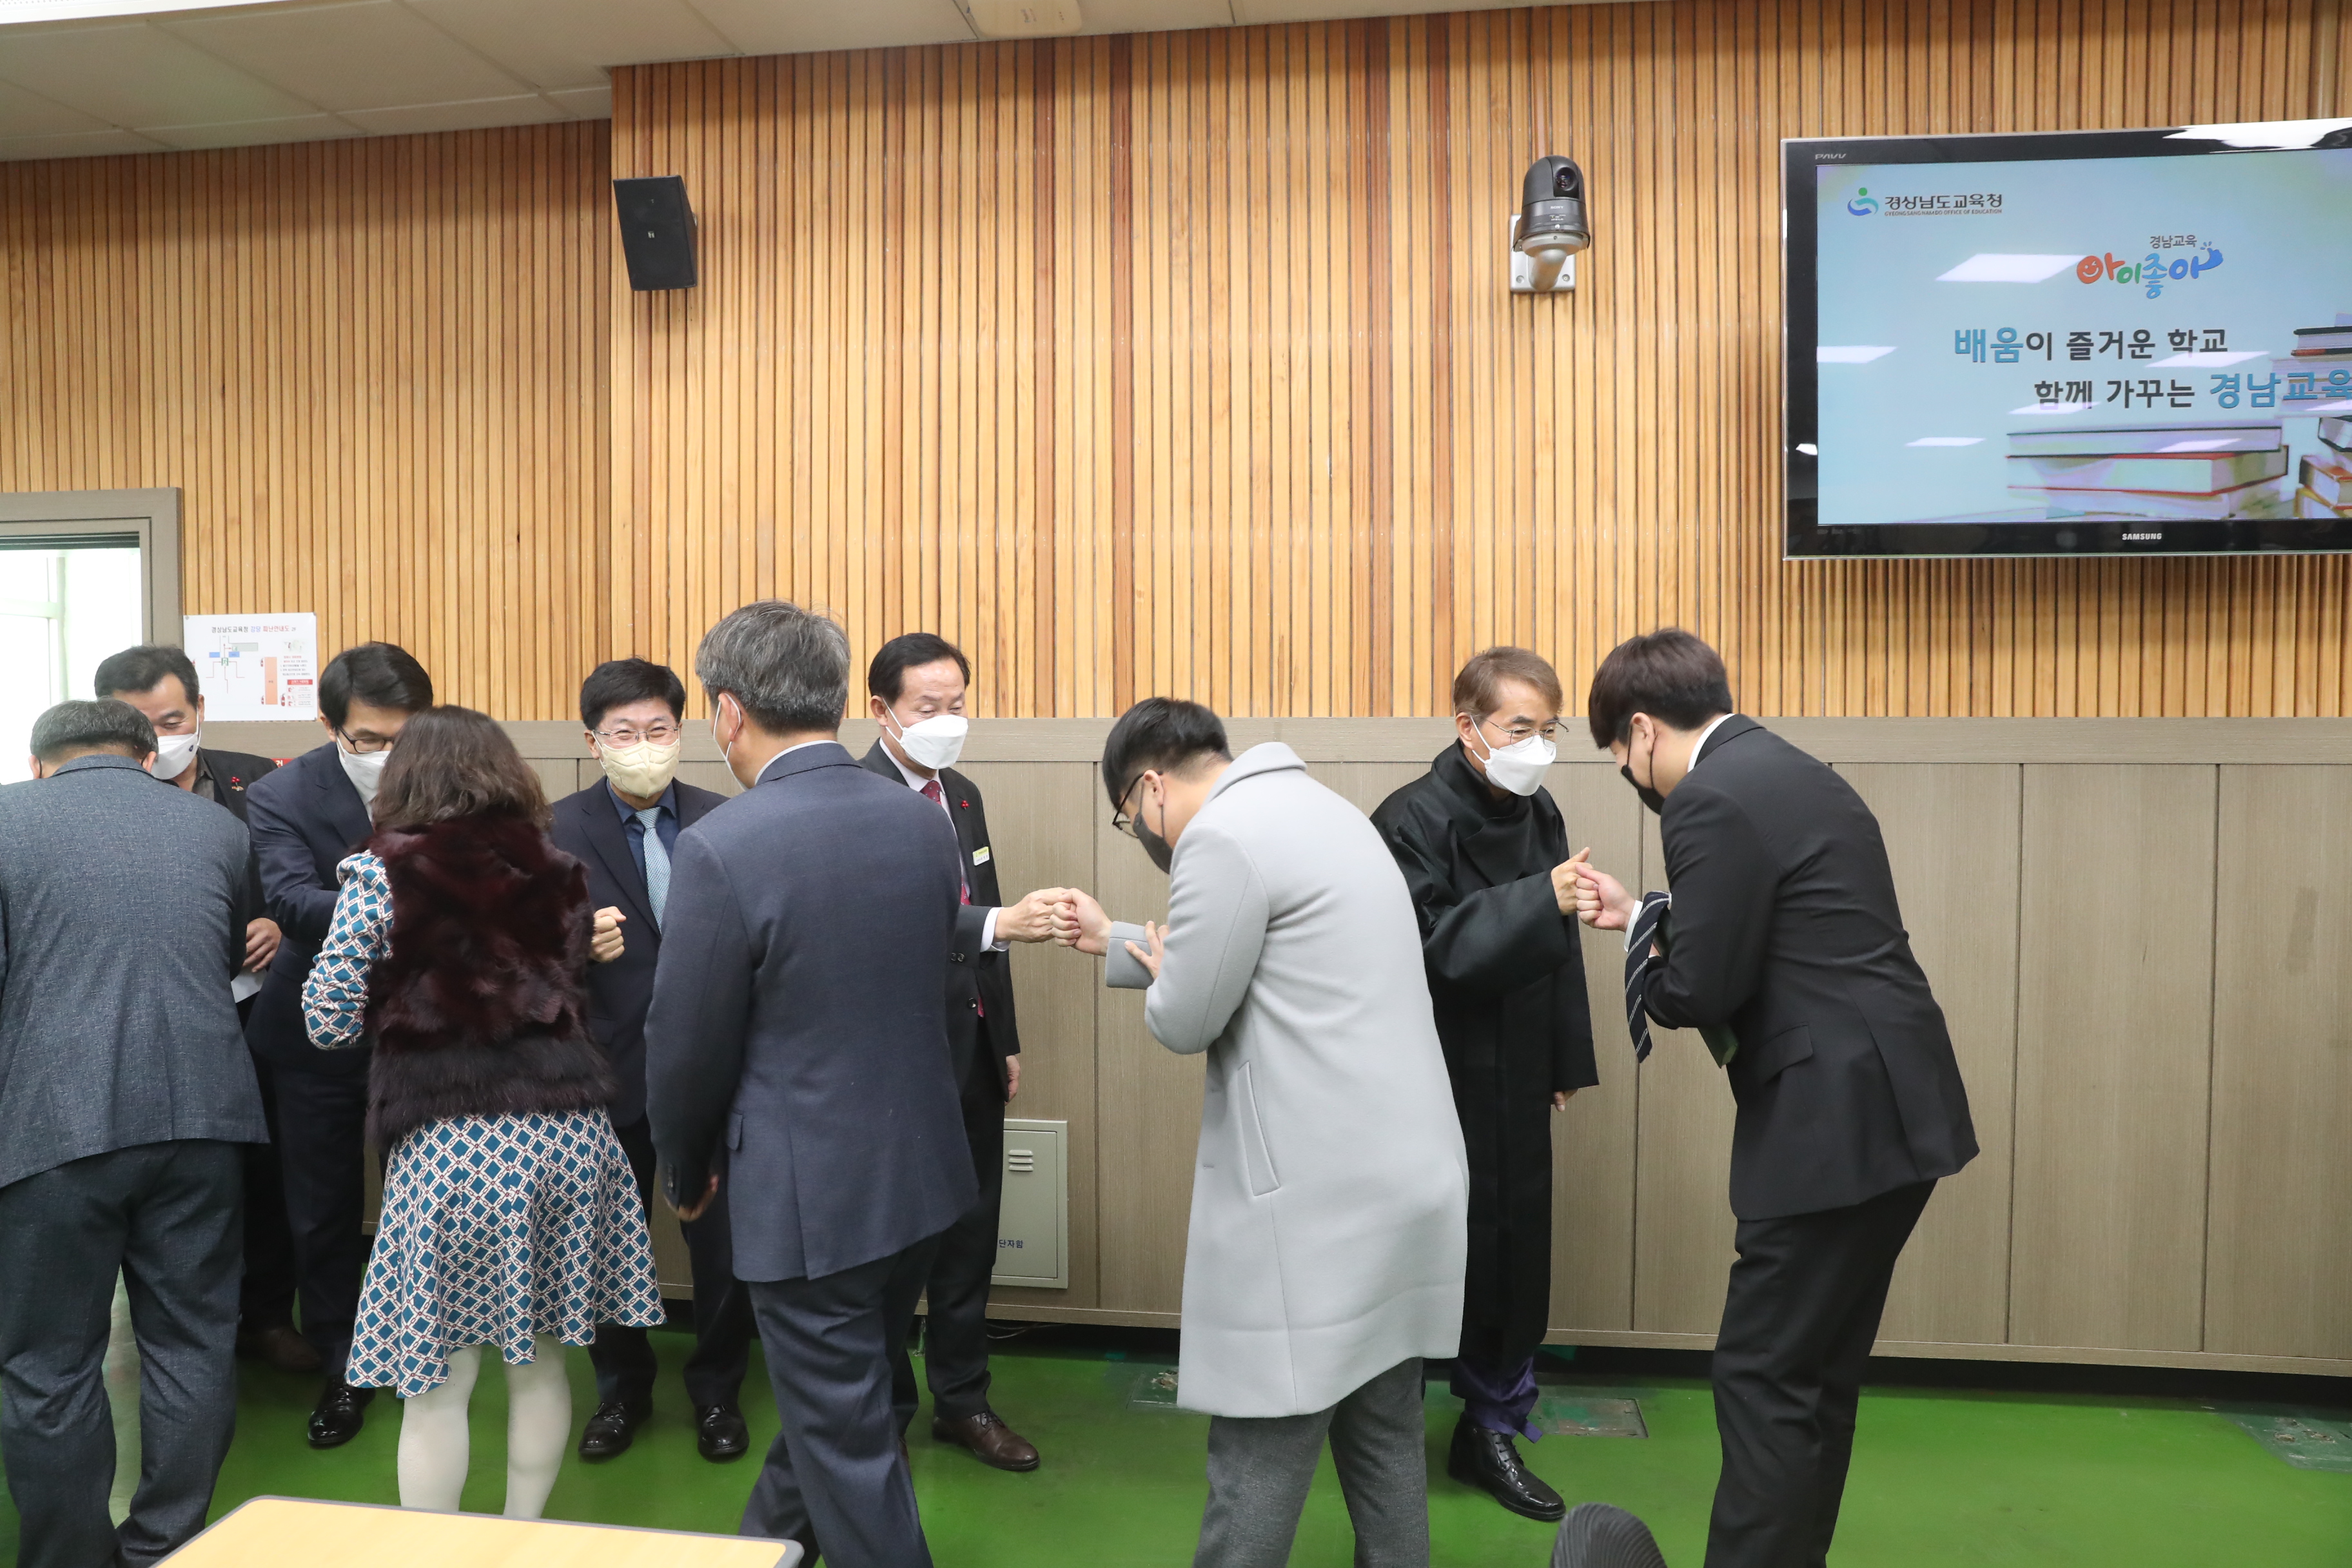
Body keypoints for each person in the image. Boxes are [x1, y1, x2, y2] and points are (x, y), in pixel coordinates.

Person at [1569, 630, 1977, 1568]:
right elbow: (1780, 922)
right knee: (1817, 1377)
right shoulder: (1795, 771)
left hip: (1827, 1124)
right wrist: (1642, 917)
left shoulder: (1704, 798)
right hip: (1898, 1108)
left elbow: (1702, 989)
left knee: (1762, 1376)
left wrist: (1648, 966)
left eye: (1619, 752)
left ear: (1642, 729)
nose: (1628, 772)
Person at [1058, 698, 1469, 1568]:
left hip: (1316, 1211)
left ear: (1151, 788)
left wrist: (1162, 979)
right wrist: (1113, 939)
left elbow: (1187, 1015)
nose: (1144, 833)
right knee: (1384, 1439)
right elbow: (1272, 956)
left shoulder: (1219, 838)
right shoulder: (1324, 809)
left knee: (1258, 1458)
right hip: (1406, 1181)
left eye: (1130, 817)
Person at [646, 600, 975, 1567]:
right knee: (836, 1408)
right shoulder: (922, 822)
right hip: (920, 1179)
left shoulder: (724, 844)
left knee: (845, 1439)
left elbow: (686, 1043)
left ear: (728, 711)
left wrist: (685, 1169)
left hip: (809, 1203)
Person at [301, 704, 662, 1518]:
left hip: (456, 1151)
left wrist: (405, 998)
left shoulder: (379, 874)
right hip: (571, 1137)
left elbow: (326, 1019)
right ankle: (522, 1536)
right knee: (542, 1361)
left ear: (407, 776)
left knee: (439, 1379)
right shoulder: (561, 871)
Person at [0, 700, 266, 1568]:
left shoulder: (7, 820)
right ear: (150, 756)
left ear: (38, 763)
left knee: (49, 1364)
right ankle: (165, 1546)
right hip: (206, 1118)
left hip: (53, 1125)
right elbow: (223, 956)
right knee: (193, 1342)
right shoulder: (217, 828)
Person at [1369, 647, 1599, 1522]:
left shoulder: (1540, 812)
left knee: (1514, 1247)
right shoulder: (1410, 818)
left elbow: (1562, 944)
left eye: (1550, 729)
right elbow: (1424, 947)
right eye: (1520, 728)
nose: (1538, 747)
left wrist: (1564, 1059)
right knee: (1427, 1244)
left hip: (1520, 1064)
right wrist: (1541, 899)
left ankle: (1492, 1424)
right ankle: (1380, 1429)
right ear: (1467, 725)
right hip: (1435, 1069)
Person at [859, 632, 1070, 1473]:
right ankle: (882, 1412)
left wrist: (1004, 1038)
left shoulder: (964, 794)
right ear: (881, 710)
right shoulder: (858, 798)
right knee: (891, 1248)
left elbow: (991, 932)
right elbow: (888, 921)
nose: (947, 721)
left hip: (973, 1046)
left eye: (957, 705)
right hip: (895, 1058)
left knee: (972, 1235)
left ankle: (963, 1400)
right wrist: (996, 922)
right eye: (928, 708)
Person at [548, 658, 756, 1464]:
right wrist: (571, 946)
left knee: (724, 1248)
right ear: (593, 741)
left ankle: (718, 1390)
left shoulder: (726, 819)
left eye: (658, 729)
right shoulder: (553, 829)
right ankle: (621, 1390)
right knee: (607, 1242)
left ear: (683, 731)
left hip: (719, 1070)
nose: (643, 745)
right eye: (624, 732)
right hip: (606, 1071)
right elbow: (513, 961)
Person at [93, 644, 310, 1377]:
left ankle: (268, 1316)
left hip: (256, 1009)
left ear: (199, 712)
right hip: (147, 1019)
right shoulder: (91, 798)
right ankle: (182, 1331)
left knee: (269, 1167)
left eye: (172, 720)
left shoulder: (261, 779)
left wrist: (282, 924)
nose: (159, 739)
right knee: (171, 1180)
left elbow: (307, 875)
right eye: (139, 726)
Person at [242, 640, 435, 1447]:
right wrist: (411, 898)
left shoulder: (453, 776)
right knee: (321, 1210)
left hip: (428, 1030)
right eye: (369, 739)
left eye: (404, 736)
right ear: (330, 727)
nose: (389, 755)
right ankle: (343, 1364)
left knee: (423, 1203)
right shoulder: (282, 792)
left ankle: (424, 1351)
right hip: (314, 1034)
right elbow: (291, 901)